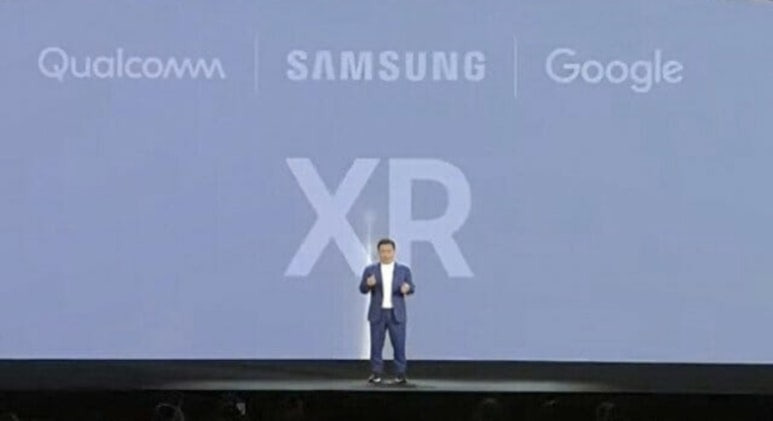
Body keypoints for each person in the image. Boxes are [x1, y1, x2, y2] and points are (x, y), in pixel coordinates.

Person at [358, 238, 415, 384]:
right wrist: (368, 284)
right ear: (378, 252)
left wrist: (407, 289)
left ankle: (400, 374)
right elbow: (362, 289)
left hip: (397, 313)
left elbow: (411, 287)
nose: (386, 254)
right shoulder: (370, 270)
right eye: (383, 251)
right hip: (378, 313)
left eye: (389, 251)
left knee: (399, 344)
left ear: (394, 252)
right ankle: (376, 373)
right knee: (376, 345)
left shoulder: (404, 270)